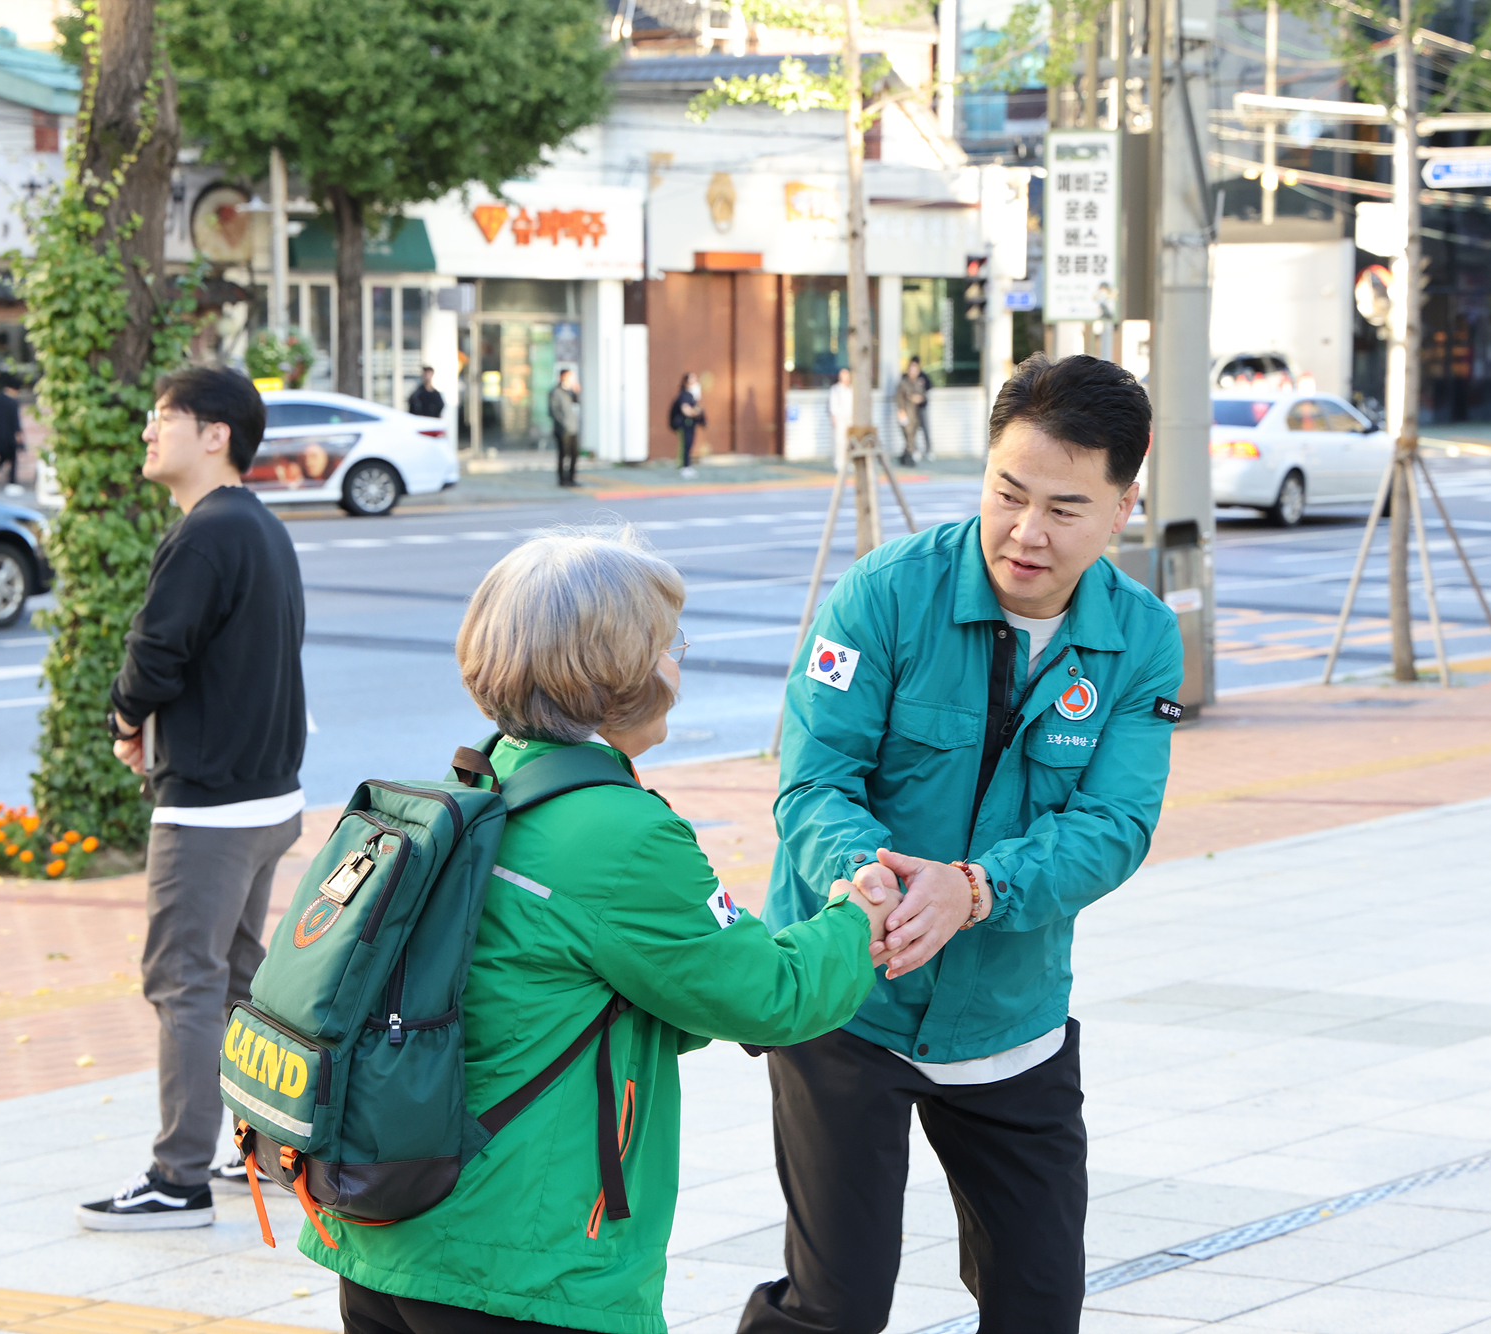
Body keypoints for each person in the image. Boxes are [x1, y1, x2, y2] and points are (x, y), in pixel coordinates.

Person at [298, 528, 894, 1334]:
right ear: (618, 676)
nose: (678, 666)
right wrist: (858, 914)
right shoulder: (618, 834)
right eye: (667, 645)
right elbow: (768, 996)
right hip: (522, 1262)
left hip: (384, 1230)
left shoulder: (479, 786)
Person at [740, 353, 1184, 1334]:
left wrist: (974, 889)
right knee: (835, 1304)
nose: (1025, 532)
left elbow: (1113, 823)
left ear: (1121, 506)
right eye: (1006, 492)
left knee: (1036, 1300)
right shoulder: (885, 592)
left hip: (1006, 1016)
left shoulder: (1142, 637)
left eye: (1064, 508)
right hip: (844, 993)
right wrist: (875, 884)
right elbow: (814, 781)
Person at [78, 366, 307, 1232]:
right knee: (240, 983)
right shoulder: (261, 527)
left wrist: (126, 718)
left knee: (183, 980)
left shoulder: (206, 533)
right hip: (266, 801)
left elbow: (156, 648)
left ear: (215, 434)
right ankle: (269, 1147)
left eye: (163, 415)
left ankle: (177, 1178)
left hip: (208, 807)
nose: (148, 429)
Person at [893, 355, 931, 465]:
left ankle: (907, 456)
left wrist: (920, 399)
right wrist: (901, 410)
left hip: (918, 414)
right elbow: (899, 397)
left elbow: (924, 395)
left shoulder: (920, 382)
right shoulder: (903, 383)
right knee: (908, 436)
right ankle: (910, 456)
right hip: (906, 413)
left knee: (914, 435)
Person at [669, 371, 706, 478]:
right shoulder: (685, 395)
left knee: (688, 444)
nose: (695, 383)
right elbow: (686, 410)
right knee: (686, 444)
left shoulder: (692, 396)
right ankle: (685, 467)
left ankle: (685, 465)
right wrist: (696, 412)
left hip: (690, 424)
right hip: (685, 424)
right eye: (692, 380)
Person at [548, 366, 581, 488]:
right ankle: (562, 480)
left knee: (574, 454)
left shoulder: (570, 391)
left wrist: (576, 392)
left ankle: (571, 478)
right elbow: (553, 411)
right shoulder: (555, 392)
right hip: (562, 429)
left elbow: (577, 404)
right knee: (563, 455)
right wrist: (563, 423)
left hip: (573, 427)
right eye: (569, 376)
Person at [827, 365, 853, 469]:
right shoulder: (835, 389)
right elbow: (833, 405)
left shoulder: (852, 389)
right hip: (840, 418)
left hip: (850, 418)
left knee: (850, 441)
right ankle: (839, 462)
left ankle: (849, 462)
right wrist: (834, 417)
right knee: (839, 441)